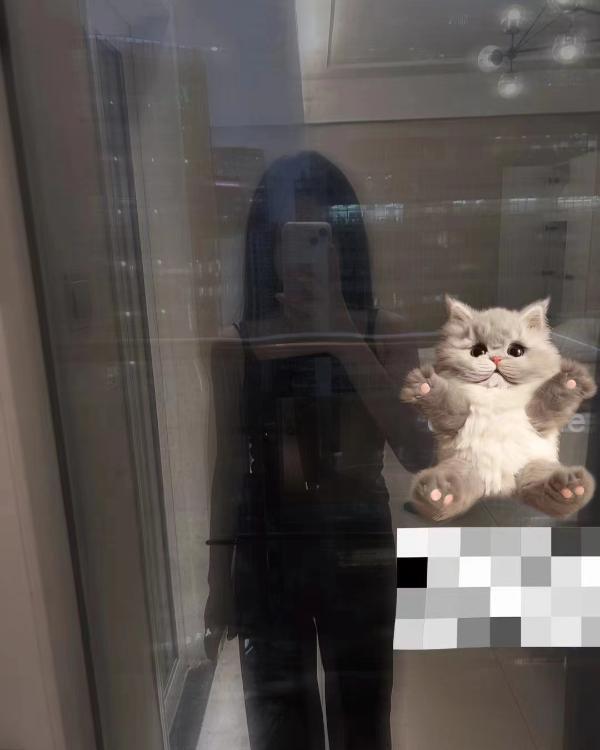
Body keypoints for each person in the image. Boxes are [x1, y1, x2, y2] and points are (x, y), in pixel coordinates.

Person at [205, 151, 431, 750]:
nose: (307, 256)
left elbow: (417, 451)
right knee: (279, 728)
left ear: (344, 244)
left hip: (357, 547)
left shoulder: (385, 333)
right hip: (267, 549)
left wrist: (343, 335)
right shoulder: (236, 345)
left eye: (321, 236)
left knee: (364, 723)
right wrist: (217, 579)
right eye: (291, 237)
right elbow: (229, 466)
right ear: (268, 248)